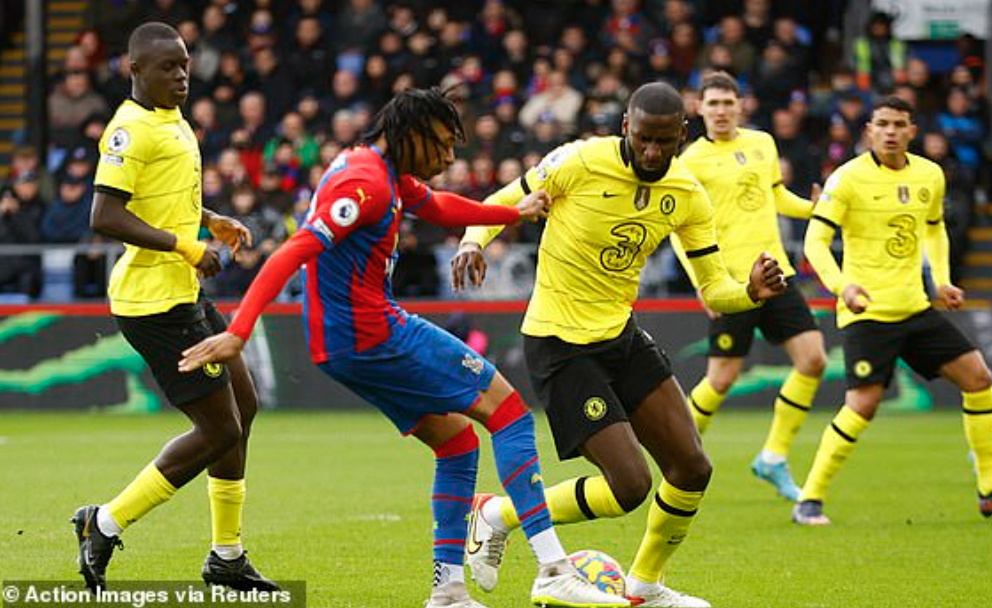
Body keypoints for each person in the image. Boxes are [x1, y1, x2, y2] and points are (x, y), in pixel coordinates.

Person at [177, 86, 630, 608]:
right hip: (374, 334)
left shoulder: (383, 172)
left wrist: (515, 213)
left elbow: (438, 207)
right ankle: (553, 568)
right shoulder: (365, 184)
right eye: (441, 143)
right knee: (510, 414)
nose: (449, 157)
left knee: (457, 443)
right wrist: (239, 331)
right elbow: (294, 250)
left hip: (343, 345)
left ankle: (449, 591)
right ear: (409, 135)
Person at [452, 81, 787, 608]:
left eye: (664, 142)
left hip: (620, 335)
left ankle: (645, 586)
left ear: (682, 135)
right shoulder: (580, 161)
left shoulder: (686, 194)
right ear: (626, 127)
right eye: (643, 139)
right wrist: (473, 241)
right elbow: (503, 199)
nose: (652, 152)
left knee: (692, 468)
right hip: (559, 342)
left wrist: (749, 292)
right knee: (629, 486)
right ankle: (495, 514)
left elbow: (712, 288)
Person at [72, 22, 276, 593]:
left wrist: (210, 219)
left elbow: (159, 197)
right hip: (153, 304)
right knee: (219, 429)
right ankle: (103, 523)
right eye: (168, 67)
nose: (181, 76)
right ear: (134, 70)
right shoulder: (128, 129)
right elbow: (105, 215)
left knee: (243, 408)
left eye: (184, 65)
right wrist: (187, 245)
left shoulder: (173, 118)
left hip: (182, 292)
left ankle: (227, 558)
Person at [794, 96, 992, 525]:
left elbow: (934, 229)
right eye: (883, 124)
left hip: (915, 308)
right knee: (863, 404)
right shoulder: (846, 178)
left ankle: (991, 490)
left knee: (979, 378)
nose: (890, 132)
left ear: (912, 131)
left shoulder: (930, 174)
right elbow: (815, 241)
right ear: (869, 129)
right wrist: (842, 286)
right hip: (867, 311)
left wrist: (941, 280)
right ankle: (809, 498)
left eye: (899, 124)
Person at [674, 72, 825, 502]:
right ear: (699, 108)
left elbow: (776, 196)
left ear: (741, 105)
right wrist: (702, 282)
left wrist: (811, 208)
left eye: (728, 102)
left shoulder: (763, 143)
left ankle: (773, 457)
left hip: (775, 272)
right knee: (721, 378)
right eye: (713, 103)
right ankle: (679, 455)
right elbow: (680, 230)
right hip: (730, 281)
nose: (721, 111)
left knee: (813, 360)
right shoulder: (690, 161)